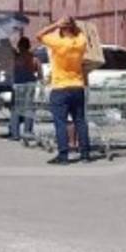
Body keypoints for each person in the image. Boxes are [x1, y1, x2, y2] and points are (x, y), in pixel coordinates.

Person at [37, 17, 90, 164]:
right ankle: (85, 154)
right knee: (80, 121)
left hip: (60, 88)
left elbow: (39, 35)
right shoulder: (81, 41)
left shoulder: (58, 43)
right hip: (78, 86)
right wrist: (73, 25)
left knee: (61, 123)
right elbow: (83, 33)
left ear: (62, 28)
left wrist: (55, 25)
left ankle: (63, 155)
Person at [8, 36, 40, 140]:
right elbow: (40, 74)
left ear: (20, 46)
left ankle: (15, 133)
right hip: (31, 85)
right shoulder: (34, 58)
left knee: (15, 108)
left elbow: (11, 70)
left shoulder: (16, 58)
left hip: (18, 86)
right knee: (29, 108)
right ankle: (28, 131)